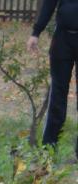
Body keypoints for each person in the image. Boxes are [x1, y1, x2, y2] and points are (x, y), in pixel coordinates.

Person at [30, 0, 78, 153]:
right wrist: (36, 32)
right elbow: (49, 4)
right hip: (62, 40)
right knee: (57, 95)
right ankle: (49, 149)